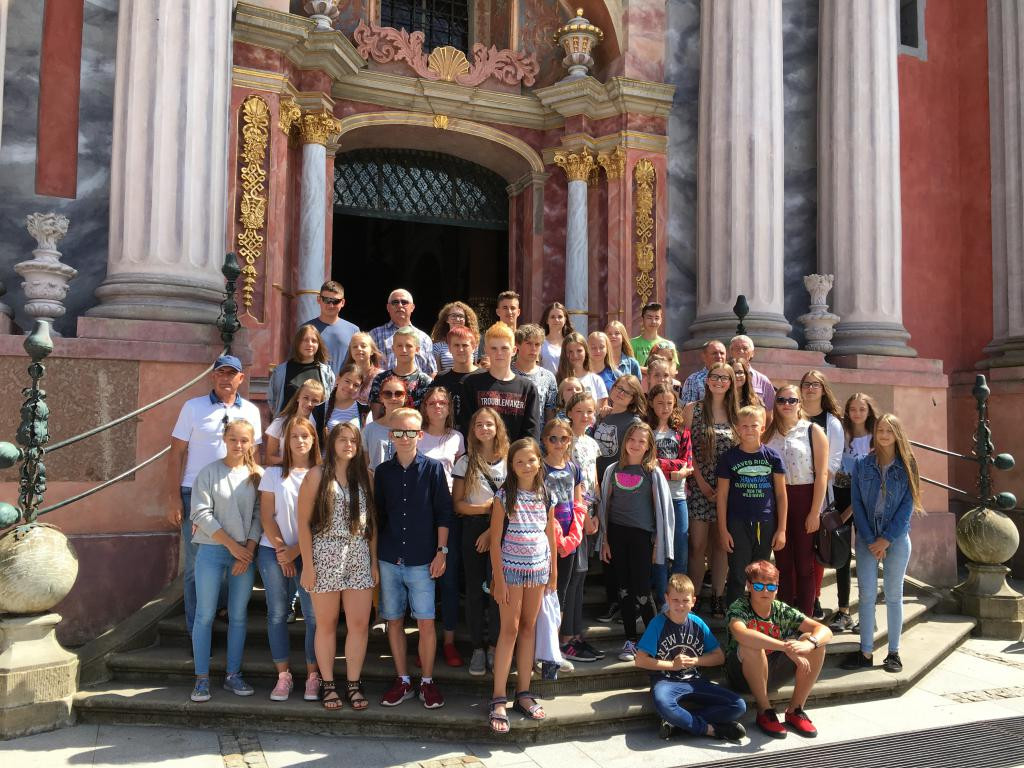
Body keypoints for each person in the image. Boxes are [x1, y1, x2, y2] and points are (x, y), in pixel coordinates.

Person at [166, 354, 262, 645]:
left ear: (240, 379)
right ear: (213, 376)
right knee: (196, 565)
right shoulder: (192, 407)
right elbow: (176, 453)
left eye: (231, 374)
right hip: (195, 495)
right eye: (221, 373)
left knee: (234, 558)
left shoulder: (251, 411)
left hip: (238, 496)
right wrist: (172, 497)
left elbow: (254, 455)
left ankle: (220, 614)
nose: (225, 378)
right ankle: (195, 631)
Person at [375, 408, 453, 709]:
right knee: (394, 620)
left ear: (420, 434)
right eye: (399, 432)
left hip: (423, 559)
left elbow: (443, 513)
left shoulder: (433, 469)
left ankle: (427, 681)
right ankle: (403, 679)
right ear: (391, 435)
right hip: (389, 558)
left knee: (426, 622)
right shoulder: (383, 472)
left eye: (410, 432)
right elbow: (379, 516)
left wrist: (441, 551)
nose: (404, 437)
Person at [298, 422, 377, 711]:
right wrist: (308, 565)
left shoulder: (365, 477)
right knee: (327, 623)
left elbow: (373, 525)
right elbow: (303, 524)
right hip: (325, 553)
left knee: (359, 624)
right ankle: (328, 684)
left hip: (358, 553)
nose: (348, 445)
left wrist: (373, 560)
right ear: (331, 443)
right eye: (342, 439)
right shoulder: (316, 475)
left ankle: (354, 684)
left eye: (353, 440)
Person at [841, 413, 923, 674]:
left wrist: (886, 539)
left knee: (893, 595)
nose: (884, 435)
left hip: (895, 539)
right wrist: (869, 539)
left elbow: (907, 506)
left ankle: (893, 653)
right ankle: (865, 652)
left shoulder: (908, 464)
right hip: (867, 538)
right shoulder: (862, 465)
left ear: (897, 434)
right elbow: (856, 504)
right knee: (866, 595)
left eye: (889, 431)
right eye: (880, 430)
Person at [188, 419, 263, 702]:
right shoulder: (209, 472)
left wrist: (248, 550)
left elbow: (260, 515)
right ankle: (201, 679)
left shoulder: (257, 476)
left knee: (238, 616)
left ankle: (233, 675)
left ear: (251, 443)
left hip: (244, 555)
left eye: (244, 440)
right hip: (212, 550)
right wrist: (232, 546)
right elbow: (200, 513)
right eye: (233, 439)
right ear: (224, 439)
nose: (238, 445)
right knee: (205, 614)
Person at [488, 437, 557, 734]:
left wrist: (553, 572)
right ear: (511, 466)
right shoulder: (504, 495)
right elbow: (494, 542)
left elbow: (550, 533)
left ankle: (524, 692)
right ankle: (498, 697)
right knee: (510, 630)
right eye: (519, 462)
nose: (526, 465)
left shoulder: (547, 493)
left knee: (529, 628)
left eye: (531, 460)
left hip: (538, 570)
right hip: (511, 571)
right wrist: (499, 580)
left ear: (539, 461)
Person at [725, 560, 832, 739]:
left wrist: (809, 644)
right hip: (740, 675)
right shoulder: (739, 607)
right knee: (752, 646)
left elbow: (824, 630)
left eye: (770, 586)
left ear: (777, 588)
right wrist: (785, 647)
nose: (765, 591)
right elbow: (741, 634)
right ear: (749, 586)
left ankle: (795, 710)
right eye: (758, 586)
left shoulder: (781, 610)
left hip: (771, 671)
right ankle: (764, 710)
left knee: (815, 643)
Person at [635, 574, 746, 743]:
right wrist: (672, 665)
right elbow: (640, 660)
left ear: (693, 601)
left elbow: (719, 657)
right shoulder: (658, 623)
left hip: (695, 681)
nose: (680, 605)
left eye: (685, 601)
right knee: (663, 703)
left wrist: (696, 661)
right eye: (675, 600)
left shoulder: (697, 623)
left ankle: (677, 723)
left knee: (738, 705)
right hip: (666, 681)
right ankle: (711, 730)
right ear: (667, 599)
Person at [598, 422, 675, 662]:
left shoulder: (652, 472)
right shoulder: (613, 470)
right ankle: (630, 640)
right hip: (617, 534)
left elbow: (661, 511)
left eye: (642, 441)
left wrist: (658, 545)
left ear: (649, 445)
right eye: (632, 439)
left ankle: (654, 641)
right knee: (624, 589)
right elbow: (605, 507)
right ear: (625, 442)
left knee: (643, 591)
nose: (635, 444)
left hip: (642, 537)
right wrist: (605, 540)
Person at [257, 417, 320, 703]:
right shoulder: (273, 473)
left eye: (305, 435)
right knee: (277, 613)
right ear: (286, 441)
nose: (300, 441)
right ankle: (283, 676)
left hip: (310, 552)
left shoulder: (322, 473)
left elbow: (323, 519)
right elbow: (266, 515)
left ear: (313, 439)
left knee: (313, 616)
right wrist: (283, 551)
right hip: (273, 550)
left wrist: (297, 551)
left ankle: (313, 675)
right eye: (294, 436)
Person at [452, 407, 509, 676]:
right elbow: (458, 505)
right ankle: (477, 647)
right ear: (472, 430)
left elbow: (516, 502)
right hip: (473, 529)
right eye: (479, 425)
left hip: (504, 530)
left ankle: (495, 646)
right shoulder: (465, 462)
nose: (484, 429)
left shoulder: (510, 459)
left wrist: (492, 529)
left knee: (498, 589)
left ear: (498, 428)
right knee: (475, 590)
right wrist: (487, 510)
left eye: (489, 424)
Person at [764, 384, 829, 616]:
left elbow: (822, 474)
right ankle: (785, 616)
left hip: (805, 498)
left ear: (800, 403)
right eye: (781, 400)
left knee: (804, 563)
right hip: (776, 500)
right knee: (783, 563)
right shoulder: (768, 433)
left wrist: (815, 512)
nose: (787, 404)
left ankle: (805, 616)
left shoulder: (813, 431)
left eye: (792, 400)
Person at [716, 405, 788, 605]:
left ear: (762, 428)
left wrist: (782, 529)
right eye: (744, 426)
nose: (749, 429)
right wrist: (723, 530)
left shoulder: (773, 457)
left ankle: (758, 617)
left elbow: (781, 495)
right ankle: (735, 620)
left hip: (765, 523)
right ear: (737, 428)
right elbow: (722, 496)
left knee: (761, 576)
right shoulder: (728, 458)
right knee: (738, 575)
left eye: (754, 425)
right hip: (737, 523)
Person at [682, 360, 738, 617]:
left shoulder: (736, 413)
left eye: (724, 378)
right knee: (697, 544)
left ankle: (717, 595)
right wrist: (702, 483)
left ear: (731, 383)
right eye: (715, 376)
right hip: (698, 486)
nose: (719, 381)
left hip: (728, 489)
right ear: (707, 380)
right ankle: (692, 597)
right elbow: (686, 450)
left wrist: (724, 489)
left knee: (721, 545)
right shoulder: (693, 409)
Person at [419, 387, 467, 666]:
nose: (438, 407)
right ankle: (424, 642)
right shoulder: (416, 435)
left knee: (448, 579)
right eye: (432, 402)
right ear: (424, 407)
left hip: (448, 513)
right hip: (420, 513)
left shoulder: (456, 438)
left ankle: (448, 641)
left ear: (449, 407)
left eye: (443, 402)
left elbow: (461, 475)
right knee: (422, 580)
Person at [828, 393, 879, 633]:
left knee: (866, 558)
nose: (857, 413)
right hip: (840, 498)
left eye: (862, 409)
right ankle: (843, 611)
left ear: (869, 412)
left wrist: (852, 510)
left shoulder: (876, 438)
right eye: (853, 409)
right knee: (842, 557)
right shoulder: (842, 434)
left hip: (866, 503)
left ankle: (869, 614)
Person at [540, 418, 589, 664]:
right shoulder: (540, 468)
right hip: (547, 537)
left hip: (570, 538)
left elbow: (578, 502)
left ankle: (559, 644)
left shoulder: (573, 467)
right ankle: (545, 644)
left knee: (564, 590)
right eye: (553, 438)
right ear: (544, 440)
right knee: (549, 590)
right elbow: (541, 506)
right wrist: (557, 537)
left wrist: (574, 535)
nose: (559, 443)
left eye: (564, 438)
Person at [800, 369, 845, 618]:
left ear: (823, 390)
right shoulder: (793, 414)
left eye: (815, 384)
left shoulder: (831, 423)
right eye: (806, 384)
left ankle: (814, 596)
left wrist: (811, 476)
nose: (810, 388)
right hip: (793, 490)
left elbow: (834, 463)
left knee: (816, 549)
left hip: (820, 493)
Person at [565, 392, 603, 661]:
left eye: (589, 411)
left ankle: (577, 634)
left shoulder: (592, 442)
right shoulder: (565, 441)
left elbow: (594, 479)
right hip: (572, 515)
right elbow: (570, 484)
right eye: (579, 411)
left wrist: (597, 512)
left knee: (581, 576)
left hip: (590, 513)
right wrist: (585, 517)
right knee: (572, 577)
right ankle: (567, 637)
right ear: (569, 412)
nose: (585, 416)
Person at [458, 322, 541, 442]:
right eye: (494, 348)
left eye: (504, 348)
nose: (499, 353)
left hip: (516, 453)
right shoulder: (471, 384)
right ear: (486, 350)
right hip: (480, 452)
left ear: (514, 350)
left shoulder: (527, 389)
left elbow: (531, 434)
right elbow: (467, 428)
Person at [647, 384, 694, 592]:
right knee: (657, 547)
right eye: (660, 403)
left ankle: (678, 595)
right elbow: (646, 463)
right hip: (653, 496)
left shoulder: (682, 432)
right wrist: (673, 471)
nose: (665, 408)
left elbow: (687, 462)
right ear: (651, 404)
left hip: (677, 496)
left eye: (669, 403)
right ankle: (660, 596)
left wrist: (660, 464)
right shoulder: (647, 430)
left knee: (680, 545)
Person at [267, 325, 336, 434]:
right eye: (305, 340)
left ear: (319, 344)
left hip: (316, 432)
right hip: (287, 430)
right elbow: (272, 401)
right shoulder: (281, 371)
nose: (310, 344)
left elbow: (331, 401)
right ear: (297, 343)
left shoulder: (326, 373)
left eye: (314, 341)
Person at [367, 326, 433, 419]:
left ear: (417, 349)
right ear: (393, 349)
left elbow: (426, 419)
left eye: (409, 346)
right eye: (399, 345)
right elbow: (376, 417)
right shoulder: (380, 379)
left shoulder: (425, 382)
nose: (404, 350)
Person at [369, 288, 437, 376]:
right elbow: (366, 366)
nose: (400, 305)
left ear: (412, 307)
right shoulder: (374, 335)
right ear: (388, 307)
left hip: (417, 384)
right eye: (395, 302)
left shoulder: (424, 338)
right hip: (383, 384)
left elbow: (431, 372)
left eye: (404, 302)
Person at [593, 374, 646, 479]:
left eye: (627, 392)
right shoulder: (602, 415)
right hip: (596, 477)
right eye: (620, 388)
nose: (621, 393)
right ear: (613, 388)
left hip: (617, 479)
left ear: (633, 399)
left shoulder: (634, 423)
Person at [304, 280, 360, 378]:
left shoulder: (354, 331)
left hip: (344, 386)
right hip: (312, 385)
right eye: (326, 300)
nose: (331, 305)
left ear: (342, 302)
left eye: (335, 301)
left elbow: (359, 364)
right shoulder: (305, 330)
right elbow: (296, 361)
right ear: (319, 300)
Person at [264, 379, 326, 465]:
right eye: (306, 398)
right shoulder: (280, 423)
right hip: (285, 471)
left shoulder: (321, 426)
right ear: (298, 397)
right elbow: (269, 458)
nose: (309, 403)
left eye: (315, 401)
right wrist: (294, 464)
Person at [513, 324, 558, 428]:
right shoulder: (507, 372)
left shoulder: (548, 377)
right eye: (528, 343)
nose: (533, 348)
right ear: (517, 345)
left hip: (538, 435)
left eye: (537, 344)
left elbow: (550, 414)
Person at [432, 325, 479, 424]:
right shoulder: (441, 379)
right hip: (448, 431)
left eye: (465, 345)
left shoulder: (484, 377)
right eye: (456, 345)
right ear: (449, 348)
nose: (461, 349)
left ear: (474, 347)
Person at [361, 375, 408, 471]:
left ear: (405, 397)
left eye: (399, 394)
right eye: (387, 394)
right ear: (381, 398)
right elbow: (365, 466)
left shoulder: (414, 429)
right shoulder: (369, 430)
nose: (393, 398)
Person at [556, 332, 609, 409]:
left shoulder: (596, 380)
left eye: (579, 351)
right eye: (570, 351)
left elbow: (602, 411)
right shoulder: (558, 379)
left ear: (586, 352)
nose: (575, 355)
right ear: (565, 354)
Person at [728, 335, 776, 410]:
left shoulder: (763, 380)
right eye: (737, 348)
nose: (741, 351)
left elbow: (770, 411)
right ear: (730, 352)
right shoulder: (723, 376)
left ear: (752, 353)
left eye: (745, 348)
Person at [430, 301, 480, 371]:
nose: (457, 319)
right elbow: (437, 373)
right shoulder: (438, 347)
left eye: (461, 316)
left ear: (466, 320)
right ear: (446, 319)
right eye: (453, 315)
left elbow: (476, 369)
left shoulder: (473, 344)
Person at [630, 302, 678, 370]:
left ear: (661, 320)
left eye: (656, 318)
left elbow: (673, 369)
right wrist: (654, 371)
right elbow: (630, 367)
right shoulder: (631, 344)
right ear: (642, 319)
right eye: (649, 318)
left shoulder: (669, 345)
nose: (653, 321)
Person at [324, 362, 369, 433]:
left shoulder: (364, 410)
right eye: (347, 381)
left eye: (356, 385)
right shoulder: (320, 409)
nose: (350, 387)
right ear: (338, 379)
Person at [341, 331, 383, 407]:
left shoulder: (382, 377)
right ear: (351, 352)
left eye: (363, 346)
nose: (359, 349)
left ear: (372, 351)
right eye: (355, 347)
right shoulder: (343, 377)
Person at [680, 339, 727, 405]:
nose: (719, 356)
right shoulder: (694, 380)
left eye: (722, 353)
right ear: (704, 356)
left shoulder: (732, 376)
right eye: (714, 353)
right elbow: (688, 408)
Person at [540, 301, 574, 374]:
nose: (556, 320)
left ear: (565, 320)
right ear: (547, 320)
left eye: (560, 317)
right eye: (552, 317)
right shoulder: (540, 343)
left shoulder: (571, 343)